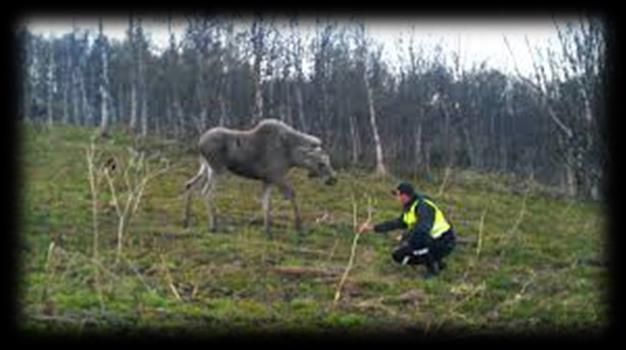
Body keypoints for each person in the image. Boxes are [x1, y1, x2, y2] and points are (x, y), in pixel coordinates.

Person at [359, 181, 456, 279]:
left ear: (405, 196)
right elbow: (398, 223)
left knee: (418, 242)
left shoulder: (423, 206)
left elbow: (422, 229)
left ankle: (433, 269)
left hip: (444, 241)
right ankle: (435, 260)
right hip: (434, 239)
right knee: (398, 256)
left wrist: (405, 237)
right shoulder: (410, 207)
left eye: (397, 195)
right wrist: (373, 228)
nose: (396, 199)